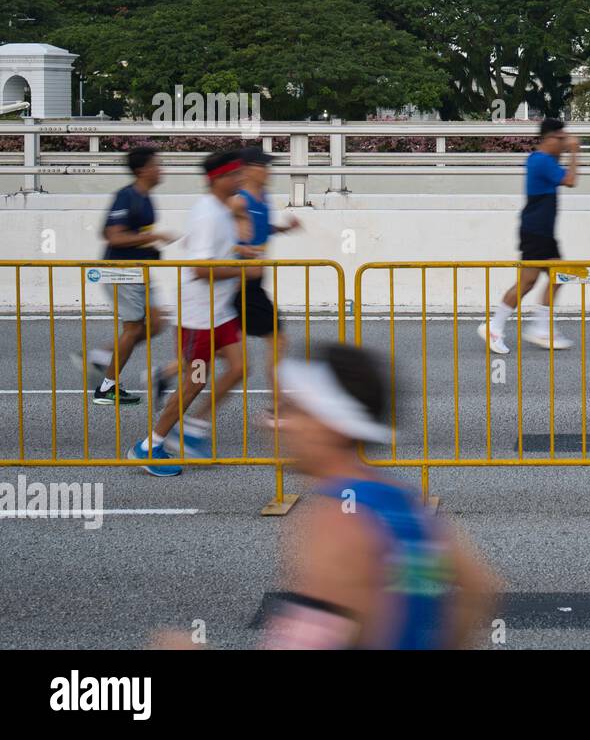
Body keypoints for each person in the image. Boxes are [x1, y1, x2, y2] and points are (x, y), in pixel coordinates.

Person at [262, 344, 500, 649]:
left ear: (330, 425)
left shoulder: (334, 521)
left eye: (291, 411)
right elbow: (478, 586)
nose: (269, 423)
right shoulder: (401, 500)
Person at [129, 150, 250, 476]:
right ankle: (150, 445)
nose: (240, 180)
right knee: (193, 383)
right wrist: (242, 272)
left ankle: (193, 429)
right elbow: (199, 268)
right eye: (235, 175)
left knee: (240, 367)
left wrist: (241, 251)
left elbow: (216, 251)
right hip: (198, 317)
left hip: (219, 312)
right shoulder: (208, 214)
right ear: (218, 179)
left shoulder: (224, 209)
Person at [72, 147, 178, 406]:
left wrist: (150, 248)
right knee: (132, 330)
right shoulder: (126, 196)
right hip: (121, 271)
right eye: (157, 164)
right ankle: (106, 388)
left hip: (139, 270)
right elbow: (113, 235)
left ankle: (100, 356)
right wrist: (153, 238)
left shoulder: (145, 197)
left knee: (157, 323)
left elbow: (134, 236)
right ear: (142, 170)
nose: (161, 169)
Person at [479, 118, 580, 354]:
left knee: (559, 275)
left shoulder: (544, 160)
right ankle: (495, 326)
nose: (566, 143)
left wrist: (564, 146)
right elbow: (571, 180)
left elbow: (560, 168)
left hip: (542, 232)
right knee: (528, 282)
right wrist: (575, 152)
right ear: (549, 138)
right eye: (562, 138)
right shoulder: (541, 161)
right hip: (535, 232)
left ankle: (539, 328)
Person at [229, 146, 302, 423]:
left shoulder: (264, 197)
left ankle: (164, 374)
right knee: (278, 340)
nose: (268, 170)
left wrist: (285, 228)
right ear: (247, 168)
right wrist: (242, 249)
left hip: (254, 285)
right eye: (263, 166)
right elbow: (221, 239)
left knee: (215, 345)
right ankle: (276, 407)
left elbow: (263, 228)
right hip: (239, 285)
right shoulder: (239, 201)